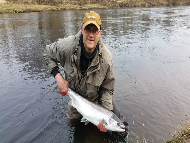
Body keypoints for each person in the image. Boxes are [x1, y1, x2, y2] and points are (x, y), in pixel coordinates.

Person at [43, 11, 127, 133]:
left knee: (121, 127)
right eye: (88, 30)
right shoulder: (67, 47)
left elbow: (107, 89)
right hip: (77, 100)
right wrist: (59, 79)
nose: (91, 35)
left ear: (100, 33)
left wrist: (104, 110)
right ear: (82, 30)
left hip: (97, 99)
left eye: (95, 31)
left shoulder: (106, 58)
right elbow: (47, 53)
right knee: (72, 126)